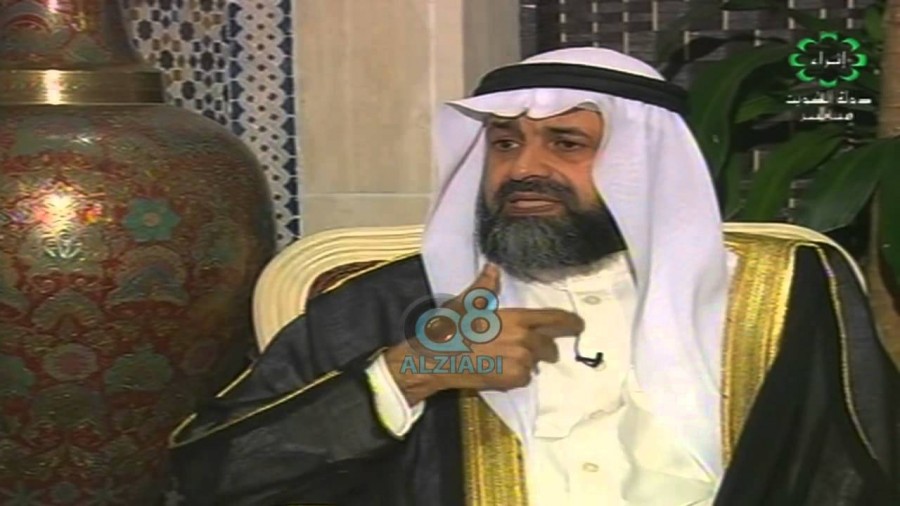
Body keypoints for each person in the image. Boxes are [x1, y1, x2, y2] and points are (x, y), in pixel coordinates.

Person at [168, 47, 899, 505]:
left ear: (643, 168)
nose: (525, 168)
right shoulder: (393, 306)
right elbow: (209, 477)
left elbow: (862, 469)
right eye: (505, 143)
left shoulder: (779, 294)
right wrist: (408, 376)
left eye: (567, 143)